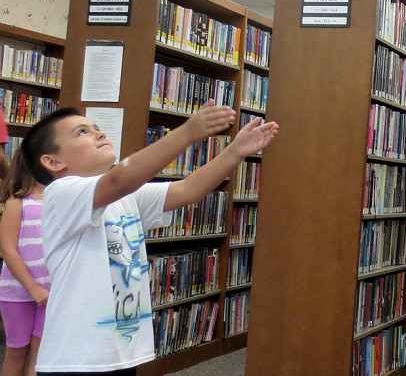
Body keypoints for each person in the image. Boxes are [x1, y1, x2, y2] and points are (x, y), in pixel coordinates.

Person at [22, 100, 278, 376]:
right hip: (76, 358)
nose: (99, 133)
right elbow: (120, 179)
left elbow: (187, 190)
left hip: (119, 353)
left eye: (97, 128)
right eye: (82, 132)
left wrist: (236, 151)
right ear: (53, 161)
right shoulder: (61, 193)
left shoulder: (124, 197)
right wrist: (187, 132)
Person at [0, 148, 51, 376]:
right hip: (17, 292)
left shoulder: (58, 201)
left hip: (51, 291)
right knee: (17, 350)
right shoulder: (17, 201)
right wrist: (32, 287)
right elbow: (8, 250)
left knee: (41, 355)